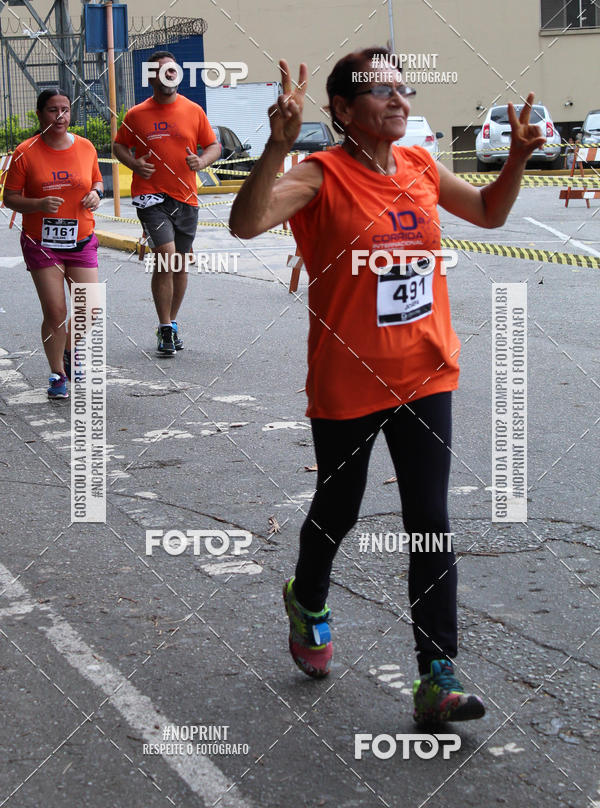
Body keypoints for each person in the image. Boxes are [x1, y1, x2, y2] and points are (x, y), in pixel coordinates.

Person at [230, 48, 546, 724]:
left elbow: (488, 212)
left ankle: (437, 674)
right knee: (339, 507)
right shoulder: (321, 174)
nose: (398, 99)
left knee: (429, 520)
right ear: (343, 110)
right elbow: (247, 223)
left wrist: (517, 158)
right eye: (380, 91)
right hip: (349, 378)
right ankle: (307, 599)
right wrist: (277, 147)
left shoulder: (420, 165)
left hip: (425, 371)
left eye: (402, 88)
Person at [113, 51, 221, 356]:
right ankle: (164, 326)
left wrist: (202, 161)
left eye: (171, 70)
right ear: (150, 77)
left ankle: (171, 324)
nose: (167, 75)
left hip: (185, 196)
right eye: (160, 71)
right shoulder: (137, 114)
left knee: (180, 263)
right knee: (166, 256)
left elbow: (213, 145)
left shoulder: (193, 110)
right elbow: (119, 146)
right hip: (150, 196)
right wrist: (135, 164)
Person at [4, 88, 103, 400]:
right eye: (52, 110)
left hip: (81, 238)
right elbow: (10, 198)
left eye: (65, 110)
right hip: (42, 242)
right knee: (56, 311)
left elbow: (97, 180)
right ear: (39, 114)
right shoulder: (25, 152)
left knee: (90, 308)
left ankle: (68, 350)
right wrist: (38, 204)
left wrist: (97, 194)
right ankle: (57, 374)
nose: (60, 116)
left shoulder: (85, 147)